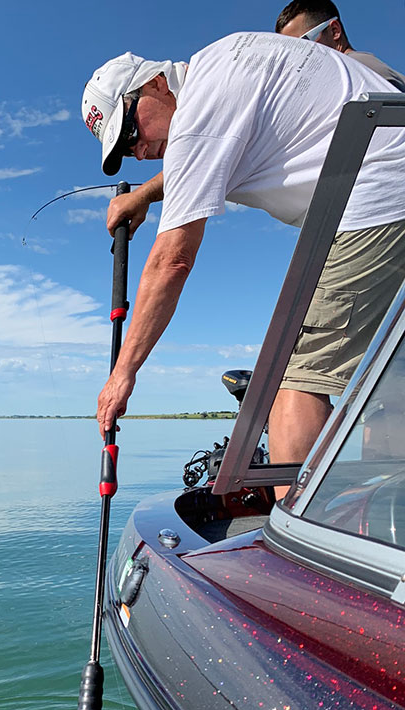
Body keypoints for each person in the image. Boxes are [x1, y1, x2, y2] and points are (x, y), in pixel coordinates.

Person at [81, 34, 405, 493]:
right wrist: (143, 195)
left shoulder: (198, 112)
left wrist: (121, 376)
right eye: (124, 150)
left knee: (288, 384)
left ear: (155, 84)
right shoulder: (221, 66)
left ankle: (299, 552)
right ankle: (386, 511)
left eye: (131, 132)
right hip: (392, 189)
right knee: (388, 378)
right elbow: (191, 162)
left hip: (379, 200)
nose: (139, 149)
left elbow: (171, 262)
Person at [275, 1, 405, 90]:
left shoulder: (358, 67)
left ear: (334, 31)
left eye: (302, 44)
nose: (297, 57)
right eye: (291, 51)